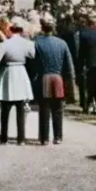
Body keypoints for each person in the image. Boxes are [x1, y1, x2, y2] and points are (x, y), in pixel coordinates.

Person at [0, 21, 36, 144]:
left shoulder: (4, 44)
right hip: (21, 72)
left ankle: (3, 138)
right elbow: (32, 56)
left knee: (5, 108)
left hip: (8, 71)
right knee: (20, 107)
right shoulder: (28, 43)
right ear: (21, 31)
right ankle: (21, 138)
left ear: (11, 30)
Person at [33, 15, 75, 144]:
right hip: (57, 78)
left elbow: (33, 63)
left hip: (43, 77)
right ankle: (58, 136)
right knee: (57, 108)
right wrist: (70, 81)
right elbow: (69, 65)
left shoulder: (36, 43)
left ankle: (44, 137)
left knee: (44, 108)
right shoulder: (62, 43)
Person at [73, 13, 96, 114]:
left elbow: (80, 51)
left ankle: (89, 104)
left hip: (88, 63)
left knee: (89, 86)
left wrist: (80, 64)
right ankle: (95, 104)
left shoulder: (83, 33)